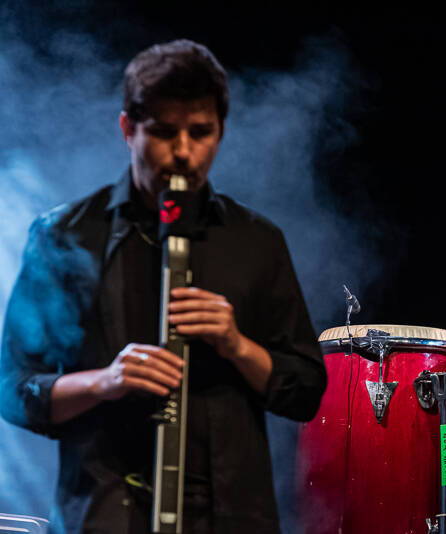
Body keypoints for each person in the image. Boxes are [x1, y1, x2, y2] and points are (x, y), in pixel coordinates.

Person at [0, 39, 326, 533]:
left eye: (201, 134)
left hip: (232, 516)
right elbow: (13, 389)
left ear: (220, 131)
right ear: (128, 129)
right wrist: (103, 382)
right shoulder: (65, 235)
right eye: (164, 132)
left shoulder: (257, 240)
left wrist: (237, 345)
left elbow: (304, 391)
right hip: (106, 513)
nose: (183, 154)